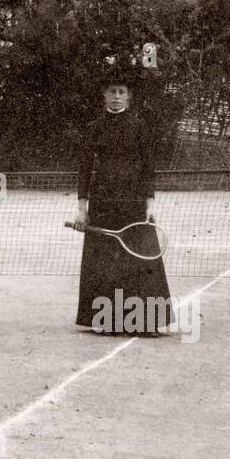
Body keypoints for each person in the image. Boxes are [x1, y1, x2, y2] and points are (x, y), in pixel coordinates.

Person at [73, 66, 172, 336]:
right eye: (112, 92)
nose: (116, 96)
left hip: (134, 201)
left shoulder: (140, 127)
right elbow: (83, 170)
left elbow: (149, 168)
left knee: (141, 260)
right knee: (104, 261)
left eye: (122, 92)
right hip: (103, 201)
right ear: (104, 96)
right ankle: (107, 321)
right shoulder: (93, 128)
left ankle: (147, 322)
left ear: (128, 97)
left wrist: (150, 205)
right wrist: (82, 209)